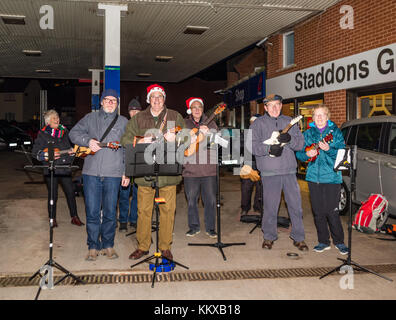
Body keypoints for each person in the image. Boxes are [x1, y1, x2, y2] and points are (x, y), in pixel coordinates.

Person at [121, 84, 185, 261]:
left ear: (164, 99)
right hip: (144, 174)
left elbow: (187, 137)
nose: (156, 100)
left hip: (168, 175)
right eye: (153, 97)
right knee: (144, 211)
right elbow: (125, 139)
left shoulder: (174, 116)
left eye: (160, 97)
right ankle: (143, 246)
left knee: (167, 211)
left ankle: (165, 247)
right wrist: (142, 140)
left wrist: (177, 138)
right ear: (149, 99)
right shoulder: (139, 118)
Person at [69, 89, 129, 261]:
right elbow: (73, 133)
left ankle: (108, 244)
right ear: (101, 102)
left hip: (114, 173)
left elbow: (128, 148)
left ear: (117, 104)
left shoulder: (124, 121)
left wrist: (126, 172)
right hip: (91, 173)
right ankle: (93, 246)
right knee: (93, 211)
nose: (110, 103)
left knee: (110, 212)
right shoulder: (90, 118)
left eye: (114, 101)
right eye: (107, 100)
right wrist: (88, 141)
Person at [250, 94, 308, 251]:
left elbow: (300, 144)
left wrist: (290, 140)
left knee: (296, 207)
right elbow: (252, 146)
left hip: (289, 171)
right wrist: (268, 148)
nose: (274, 108)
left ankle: (299, 237)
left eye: (277, 104)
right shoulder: (258, 124)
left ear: (281, 105)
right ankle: (269, 237)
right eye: (271, 105)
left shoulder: (290, 122)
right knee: (270, 207)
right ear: (265, 107)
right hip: (269, 172)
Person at [296, 105, 348, 255]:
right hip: (313, 178)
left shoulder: (335, 133)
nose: (319, 118)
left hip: (332, 178)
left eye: (322, 115)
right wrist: (307, 154)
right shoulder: (308, 133)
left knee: (332, 211)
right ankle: (323, 241)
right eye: (316, 115)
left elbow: (342, 155)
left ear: (327, 117)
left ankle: (339, 241)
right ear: (312, 118)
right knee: (318, 212)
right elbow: (299, 154)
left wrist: (328, 150)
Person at [32, 109, 84, 228]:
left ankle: (74, 217)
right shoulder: (43, 134)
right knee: (53, 195)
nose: (57, 120)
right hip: (51, 169)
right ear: (48, 122)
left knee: (71, 192)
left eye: (57, 117)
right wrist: (44, 155)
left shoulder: (64, 132)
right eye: (54, 118)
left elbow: (69, 147)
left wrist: (72, 154)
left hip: (65, 167)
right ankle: (52, 218)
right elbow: (35, 153)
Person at [183, 97, 217, 238]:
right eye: (194, 107)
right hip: (190, 170)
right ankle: (194, 227)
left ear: (203, 109)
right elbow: (180, 143)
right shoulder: (184, 123)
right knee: (191, 201)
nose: (197, 110)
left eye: (200, 107)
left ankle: (210, 228)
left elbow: (217, 143)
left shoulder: (211, 123)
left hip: (209, 169)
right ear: (190, 110)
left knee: (210, 200)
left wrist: (208, 133)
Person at [118, 98, 142, 232]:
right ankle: (122, 220)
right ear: (129, 112)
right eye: (132, 110)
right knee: (124, 195)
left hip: (139, 165)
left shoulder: (143, 126)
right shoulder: (124, 125)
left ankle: (133, 219)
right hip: (126, 164)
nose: (134, 113)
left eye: (137, 110)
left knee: (137, 195)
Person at [240, 114, 262, 217]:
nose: (253, 124)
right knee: (246, 188)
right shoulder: (245, 134)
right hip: (248, 164)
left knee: (260, 188)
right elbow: (239, 148)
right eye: (251, 122)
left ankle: (258, 207)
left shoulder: (264, 134)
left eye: (255, 122)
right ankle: (245, 208)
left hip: (261, 165)